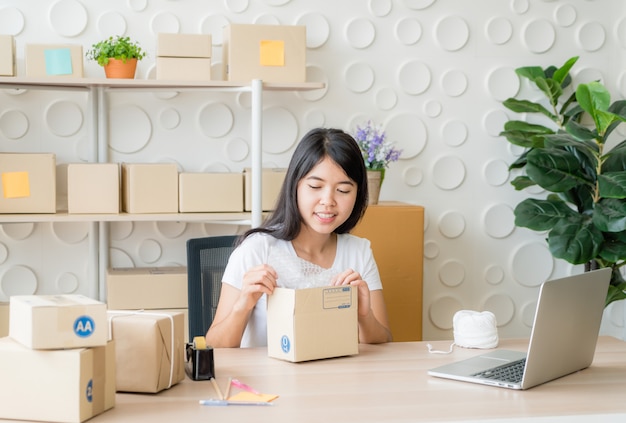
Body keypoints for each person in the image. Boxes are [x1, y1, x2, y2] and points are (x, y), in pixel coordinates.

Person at [206, 127, 392, 347]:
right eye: (315, 186)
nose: (328, 201)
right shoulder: (257, 250)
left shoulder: (358, 252)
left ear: (358, 195)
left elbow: (385, 341)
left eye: (343, 190)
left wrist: (364, 315)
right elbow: (213, 347)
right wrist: (243, 305)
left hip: (335, 379)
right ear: (295, 186)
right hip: (267, 380)